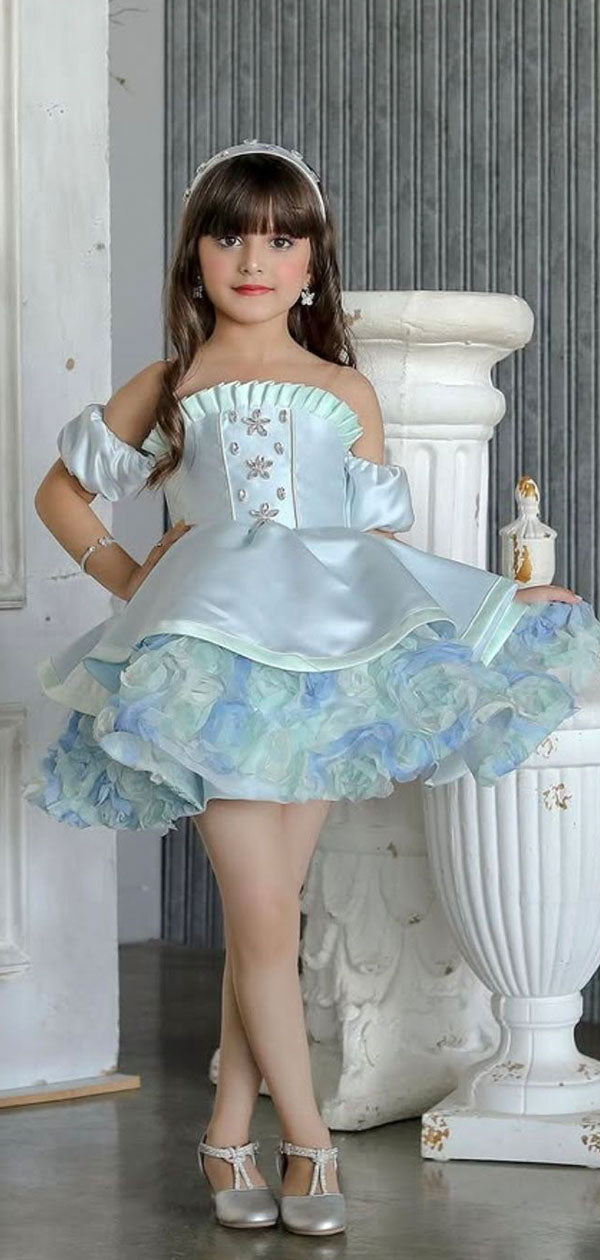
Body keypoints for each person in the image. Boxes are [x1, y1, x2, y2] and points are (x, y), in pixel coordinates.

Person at [23, 140, 600, 1237]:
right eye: (230, 236)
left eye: (282, 240)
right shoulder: (172, 384)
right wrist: (131, 577)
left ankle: (223, 1135)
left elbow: (374, 557)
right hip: (216, 677)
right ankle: (310, 1146)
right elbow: (61, 494)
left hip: (329, 679)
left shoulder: (345, 392)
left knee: (270, 925)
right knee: (260, 920)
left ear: (311, 264)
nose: (255, 260)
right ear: (195, 257)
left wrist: (497, 600)